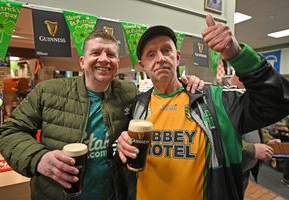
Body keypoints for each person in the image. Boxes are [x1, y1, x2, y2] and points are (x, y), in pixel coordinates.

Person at [0, 30, 204, 200]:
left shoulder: (130, 93)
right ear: (82, 61)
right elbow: (9, 131)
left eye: (111, 54)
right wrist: (38, 158)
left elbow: (163, 92)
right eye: (96, 53)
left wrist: (186, 82)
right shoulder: (48, 92)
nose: (104, 59)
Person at [116, 14, 289, 200]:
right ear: (143, 65)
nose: (160, 58)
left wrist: (237, 55)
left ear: (178, 57)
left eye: (166, 50)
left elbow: (277, 102)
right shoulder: (136, 106)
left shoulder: (215, 100)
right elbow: (121, 152)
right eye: (151, 54)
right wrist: (120, 146)